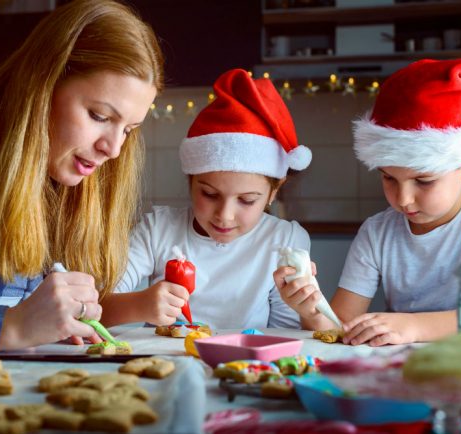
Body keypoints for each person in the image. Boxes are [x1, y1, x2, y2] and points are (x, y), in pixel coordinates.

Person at [0, 0, 163, 355]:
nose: (113, 149)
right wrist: (13, 327)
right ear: (42, 86)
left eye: (128, 129)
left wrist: (63, 321)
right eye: (99, 116)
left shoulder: (69, 178)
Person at [274, 58, 461, 345]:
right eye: (388, 178)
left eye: (424, 181)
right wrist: (310, 309)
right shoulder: (377, 233)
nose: (403, 199)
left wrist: (415, 327)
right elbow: (338, 326)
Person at [100, 68, 312, 330]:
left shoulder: (286, 241)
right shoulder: (157, 230)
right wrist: (139, 304)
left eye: (246, 200)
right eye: (210, 194)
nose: (225, 215)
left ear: (274, 191)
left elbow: (285, 334)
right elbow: (95, 308)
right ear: (190, 181)